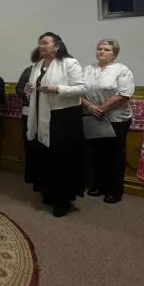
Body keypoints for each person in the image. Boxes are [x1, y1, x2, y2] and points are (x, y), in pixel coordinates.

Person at [26, 32, 87, 217]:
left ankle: (63, 200)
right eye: (40, 43)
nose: (41, 46)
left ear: (57, 46)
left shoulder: (69, 63)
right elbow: (35, 89)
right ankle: (50, 193)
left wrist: (57, 89)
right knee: (46, 157)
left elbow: (82, 88)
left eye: (45, 42)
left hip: (64, 118)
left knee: (62, 160)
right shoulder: (37, 65)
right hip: (42, 115)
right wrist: (30, 89)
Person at [83, 39, 135, 203]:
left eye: (106, 49)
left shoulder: (122, 70)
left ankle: (114, 190)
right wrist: (90, 106)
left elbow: (124, 93)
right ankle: (99, 186)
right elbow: (78, 90)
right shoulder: (88, 69)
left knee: (114, 155)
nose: (102, 52)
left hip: (116, 118)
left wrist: (102, 108)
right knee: (97, 153)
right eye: (99, 48)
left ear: (114, 53)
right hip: (93, 116)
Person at [15, 47, 41, 188]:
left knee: (41, 145)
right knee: (29, 144)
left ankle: (41, 178)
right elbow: (18, 88)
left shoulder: (53, 72)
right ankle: (30, 174)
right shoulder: (28, 70)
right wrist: (26, 92)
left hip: (45, 113)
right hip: (28, 111)